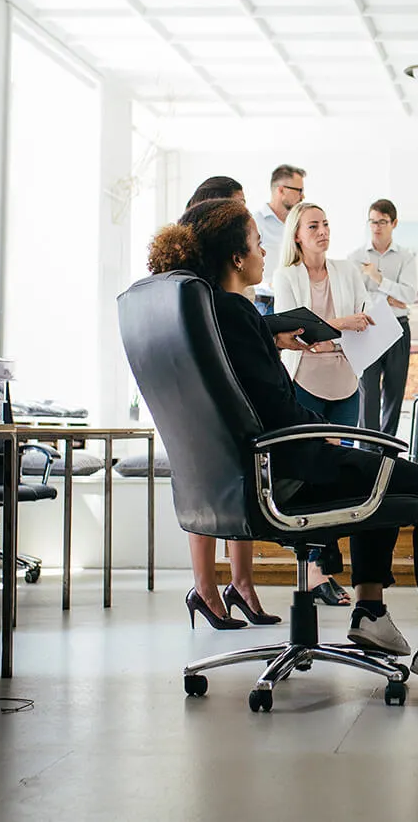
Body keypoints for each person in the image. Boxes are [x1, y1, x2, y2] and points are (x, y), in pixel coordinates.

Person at [145, 199, 418, 688]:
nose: (263, 253)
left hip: (234, 486)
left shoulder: (209, 315)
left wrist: (274, 335)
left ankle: (371, 613)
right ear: (235, 258)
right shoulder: (238, 315)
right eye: (255, 244)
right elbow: (279, 410)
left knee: (377, 475)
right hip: (288, 475)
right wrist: (320, 420)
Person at [173, 176, 291, 629]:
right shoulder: (197, 291)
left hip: (233, 428)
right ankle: (205, 587)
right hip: (201, 415)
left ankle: (241, 583)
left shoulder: (223, 297)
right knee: (214, 487)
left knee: (235, 476)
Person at [273, 200, 376, 606]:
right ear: (297, 234)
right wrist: (340, 324)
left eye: (326, 224)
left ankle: (322, 568)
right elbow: (291, 328)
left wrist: (332, 329)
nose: (322, 231)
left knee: (340, 475)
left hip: (345, 379)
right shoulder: (286, 276)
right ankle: (315, 570)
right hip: (305, 382)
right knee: (310, 474)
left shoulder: (347, 270)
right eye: (313, 225)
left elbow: (365, 317)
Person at [349, 199, 417, 437]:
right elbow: (354, 297)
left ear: (394, 223)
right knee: (367, 392)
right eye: (372, 221)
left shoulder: (406, 257)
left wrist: (378, 280)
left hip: (398, 327)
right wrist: (389, 296)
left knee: (394, 392)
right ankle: (368, 450)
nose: (376, 227)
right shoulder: (355, 257)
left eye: (382, 222)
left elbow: (409, 295)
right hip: (366, 328)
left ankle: (387, 452)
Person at [251, 164, 306, 316]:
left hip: (296, 303)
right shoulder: (255, 223)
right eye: (299, 190)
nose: (303, 196)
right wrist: (271, 285)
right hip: (266, 305)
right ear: (281, 190)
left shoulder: (298, 224)